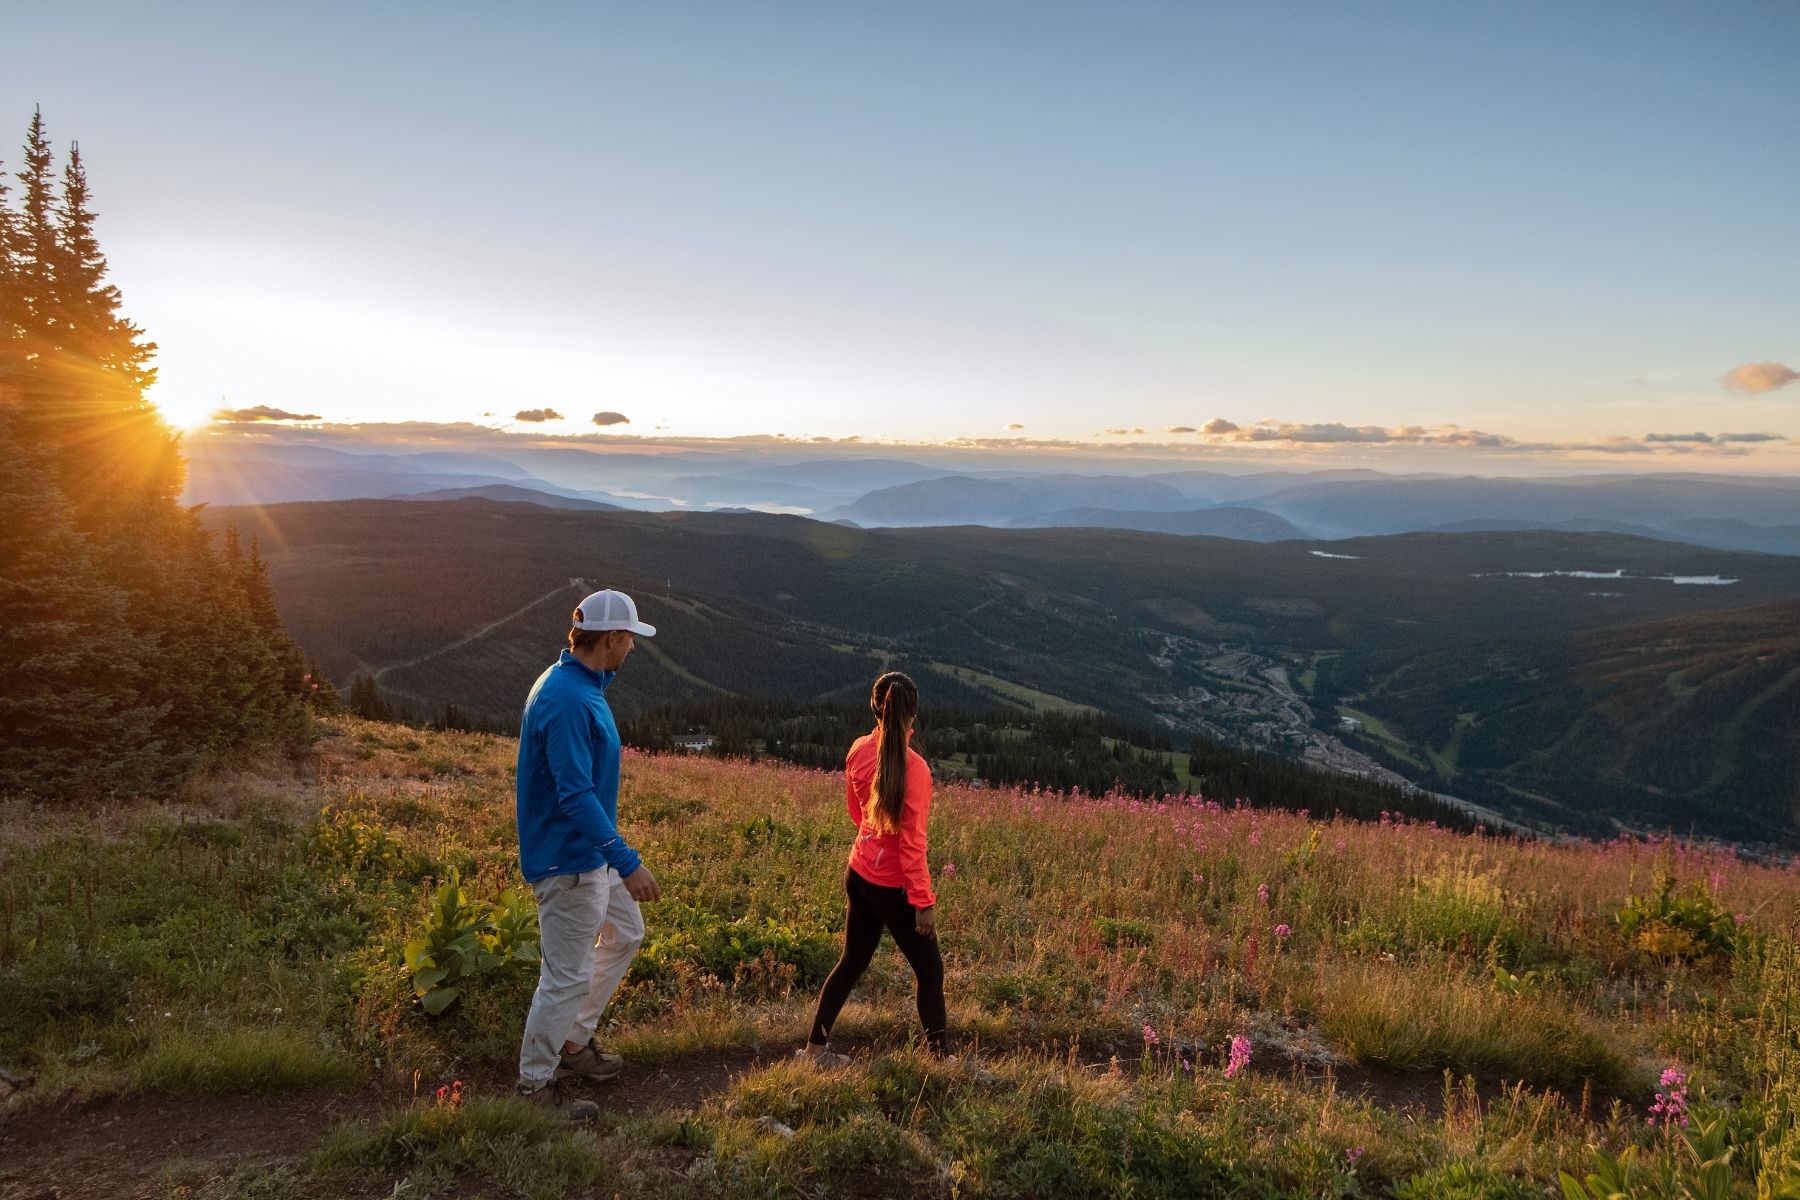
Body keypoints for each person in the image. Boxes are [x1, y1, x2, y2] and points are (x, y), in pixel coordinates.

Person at [514, 588, 663, 1120]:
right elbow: (573, 794)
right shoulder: (571, 700)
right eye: (629, 639)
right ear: (611, 639)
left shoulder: (576, 685)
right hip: (570, 860)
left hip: (587, 854)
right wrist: (626, 861)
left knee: (626, 932)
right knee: (566, 975)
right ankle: (534, 1088)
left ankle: (574, 1044)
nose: (632, 649)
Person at [800, 671, 948, 1064]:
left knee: (851, 962)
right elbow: (912, 844)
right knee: (930, 972)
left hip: (860, 872)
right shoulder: (916, 770)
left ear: (876, 710)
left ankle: (814, 1051)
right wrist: (922, 901)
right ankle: (942, 1061)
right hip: (893, 887)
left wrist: (872, 844)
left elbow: (857, 812)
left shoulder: (859, 750)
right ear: (912, 716)